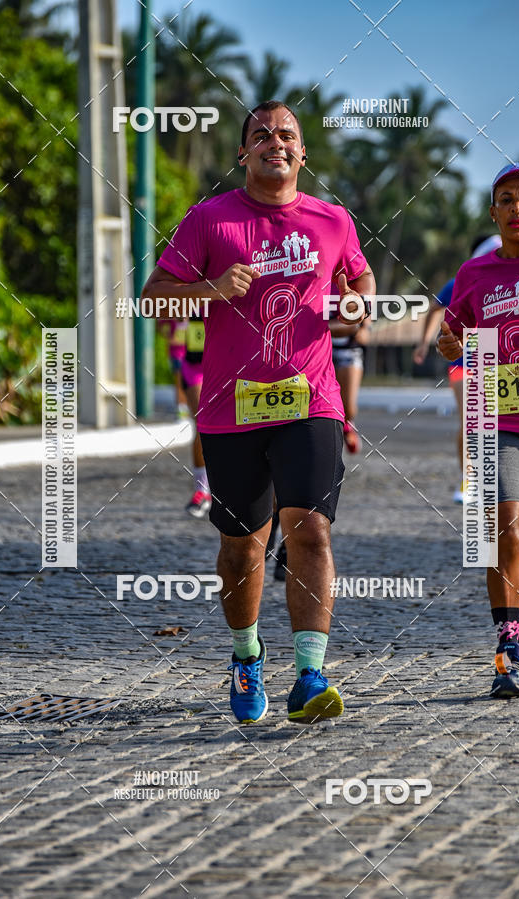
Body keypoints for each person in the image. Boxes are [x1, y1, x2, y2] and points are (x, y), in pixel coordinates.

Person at [141, 100, 375, 723]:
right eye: (262, 134)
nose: (276, 142)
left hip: (312, 400)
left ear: (302, 153)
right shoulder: (208, 219)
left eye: (287, 134)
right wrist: (211, 290)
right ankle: (246, 656)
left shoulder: (332, 220)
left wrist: (357, 307)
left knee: (311, 529)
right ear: (243, 152)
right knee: (243, 548)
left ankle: (309, 674)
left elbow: (360, 282)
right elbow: (152, 298)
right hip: (231, 409)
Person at [437, 162, 519, 698]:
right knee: (504, 531)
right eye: (507, 199)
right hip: (493, 417)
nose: (518, 207)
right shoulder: (474, 274)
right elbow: (455, 335)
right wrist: (450, 344)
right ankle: (507, 652)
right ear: (493, 213)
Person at [414, 235, 502, 501]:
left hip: (499, 366)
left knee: (500, 424)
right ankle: (468, 481)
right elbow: (434, 309)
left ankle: (500, 482)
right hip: (464, 364)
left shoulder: (510, 281)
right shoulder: (460, 282)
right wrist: (424, 342)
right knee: (470, 421)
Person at [330, 295, 372, 454]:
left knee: (348, 406)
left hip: (349, 349)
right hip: (319, 347)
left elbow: (366, 301)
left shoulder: (352, 281)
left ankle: (348, 425)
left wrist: (365, 328)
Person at [181, 316, 212, 518]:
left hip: (226, 361)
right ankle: (202, 491)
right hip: (196, 365)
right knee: (202, 422)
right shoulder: (195, 294)